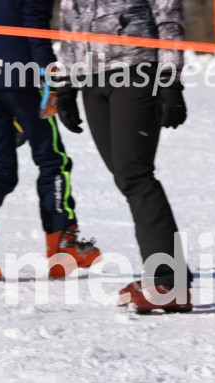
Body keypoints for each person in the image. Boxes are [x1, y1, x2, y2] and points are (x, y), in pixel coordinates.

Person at [57, 0, 192, 313]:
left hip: (136, 69)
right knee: (124, 175)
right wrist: (65, 86)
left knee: (135, 173)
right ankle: (167, 276)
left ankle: (168, 281)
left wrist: (170, 78)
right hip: (92, 77)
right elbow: (68, 24)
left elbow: (168, 16)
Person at [0, 0, 100, 282]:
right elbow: (34, 21)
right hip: (20, 74)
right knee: (52, 159)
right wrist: (49, 73)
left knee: (0, 168)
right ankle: (63, 247)